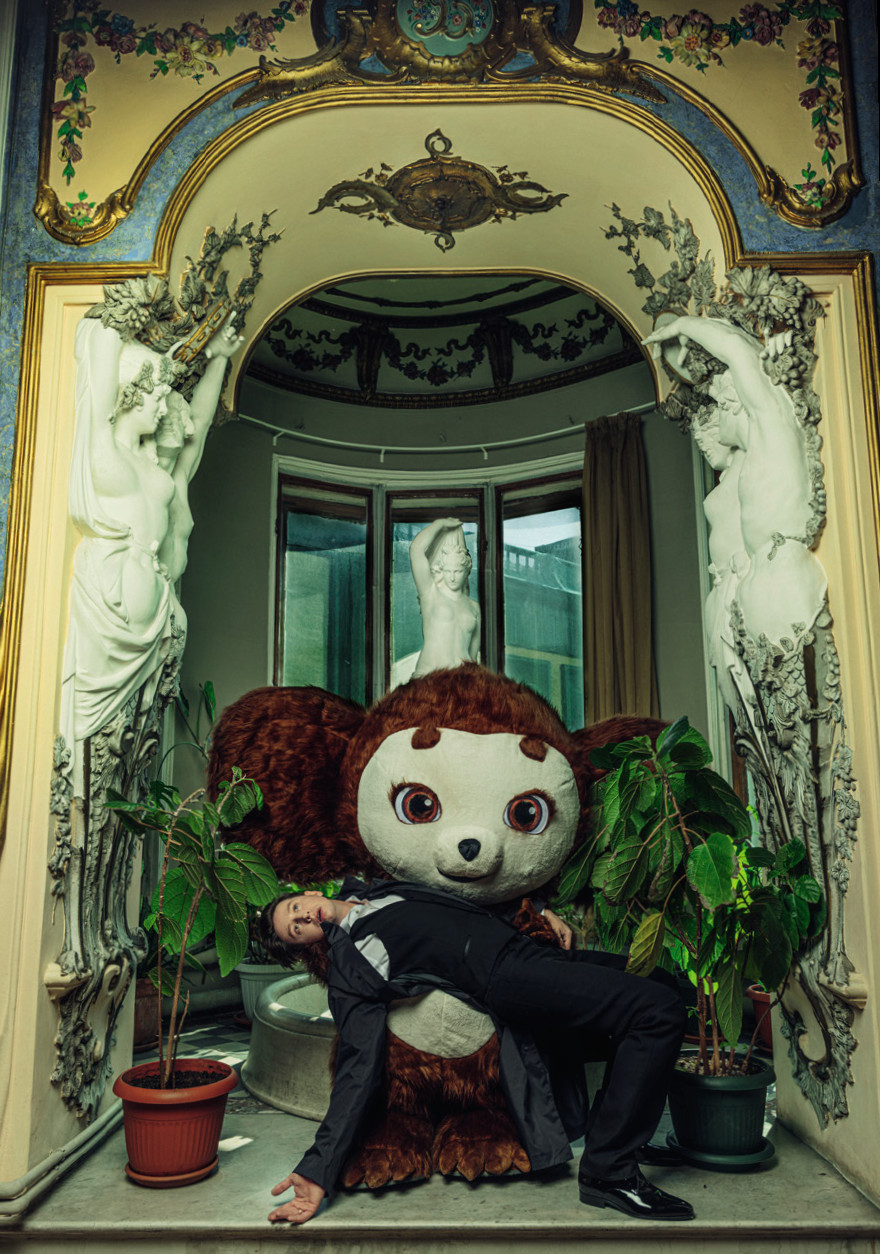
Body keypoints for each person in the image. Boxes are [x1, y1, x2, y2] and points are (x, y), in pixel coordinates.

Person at [259, 882, 694, 1226]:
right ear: (307, 943)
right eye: (295, 928)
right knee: (657, 1011)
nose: (303, 917)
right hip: (508, 979)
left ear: (310, 894)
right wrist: (317, 1169)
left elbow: (465, 896)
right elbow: (356, 1067)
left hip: (526, 950)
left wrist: (538, 910)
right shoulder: (354, 965)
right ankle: (609, 1171)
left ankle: (613, 1131)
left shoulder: (376, 890)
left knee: (661, 983)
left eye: (296, 908)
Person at [60, 315, 242, 782]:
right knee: (93, 757)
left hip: (155, 618)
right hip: (113, 609)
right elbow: (99, 386)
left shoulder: (161, 476)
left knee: (131, 761)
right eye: (159, 396)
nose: (166, 409)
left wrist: (218, 359)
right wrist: (114, 321)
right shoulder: (105, 451)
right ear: (132, 394)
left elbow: (199, 427)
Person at [409, 518, 481, 677]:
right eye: (448, 571)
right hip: (429, 677)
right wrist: (439, 524)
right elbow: (415, 549)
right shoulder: (430, 593)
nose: (452, 577)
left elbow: (473, 658)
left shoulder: (474, 607)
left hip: (462, 681)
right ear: (441, 570)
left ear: (466, 571)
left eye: (458, 571)